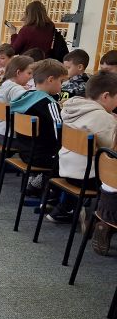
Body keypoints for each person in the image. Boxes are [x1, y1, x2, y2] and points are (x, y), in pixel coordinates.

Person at [49, 72, 117, 224]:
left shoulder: (72, 107)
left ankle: (65, 208)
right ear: (106, 96)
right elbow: (112, 150)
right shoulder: (102, 117)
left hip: (65, 169)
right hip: (87, 178)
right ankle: (105, 220)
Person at [9, 58, 67, 196]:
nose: (62, 86)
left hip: (24, 152)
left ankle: (37, 181)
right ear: (51, 79)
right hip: (42, 157)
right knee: (70, 159)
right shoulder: (49, 103)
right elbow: (59, 135)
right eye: (61, 81)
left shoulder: (25, 96)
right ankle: (48, 191)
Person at [0, 55, 33, 144]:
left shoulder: (6, 83)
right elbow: (30, 106)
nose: (31, 77)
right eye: (29, 73)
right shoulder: (16, 89)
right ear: (18, 72)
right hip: (9, 137)